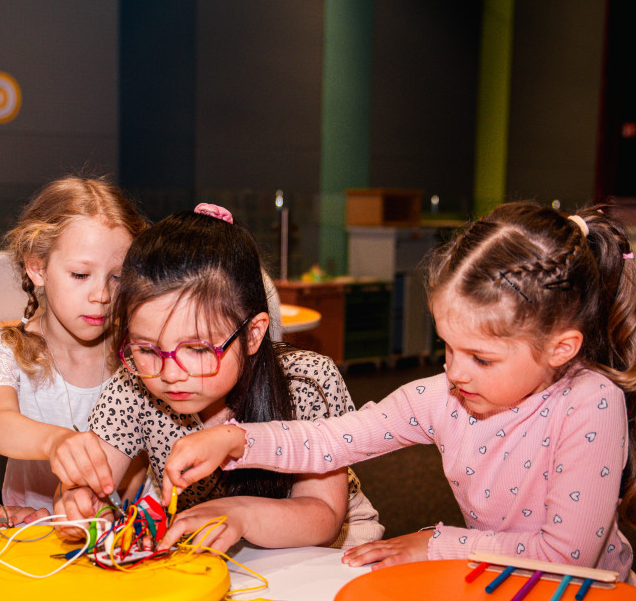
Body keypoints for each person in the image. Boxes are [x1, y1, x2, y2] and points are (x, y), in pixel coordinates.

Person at [161, 202, 636, 581]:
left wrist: (434, 545)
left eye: (482, 358)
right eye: (447, 346)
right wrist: (238, 440)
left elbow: (566, 556)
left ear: (560, 348)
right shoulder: (444, 396)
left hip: (588, 600)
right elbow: (332, 439)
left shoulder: (591, 402)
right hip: (494, 581)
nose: (455, 372)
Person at [48, 203, 384, 552]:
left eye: (197, 349)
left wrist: (239, 514)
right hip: (210, 550)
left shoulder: (307, 381)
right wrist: (79, 501)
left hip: (327, 551)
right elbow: (91, 483)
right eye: (146, 349)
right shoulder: (132, 384)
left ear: (253, 334)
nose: (170, 374)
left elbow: (325, 517)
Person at [0, 176, 148, 520]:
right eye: (80, 275)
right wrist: (57, 442)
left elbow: (142, 456)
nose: (102, 295)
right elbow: (1, 425)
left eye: (117, 277)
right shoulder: (6, 349)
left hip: (116, 521)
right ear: (37, 267)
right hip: (30, 521)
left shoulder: (138, 352)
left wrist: (114, 512)